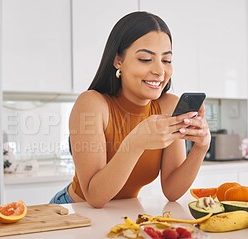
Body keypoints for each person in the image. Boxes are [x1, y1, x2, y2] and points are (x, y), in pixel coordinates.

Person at [50, 11, 210, 208]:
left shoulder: (168, 106)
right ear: (119, 60)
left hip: (122, 213)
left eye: (166, 60)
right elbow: (95, 197)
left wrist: (201, 148)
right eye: (145, 59)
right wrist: (136, 143)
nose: (160, 71)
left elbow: (172, 191)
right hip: (74, 210)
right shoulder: (92, 104)